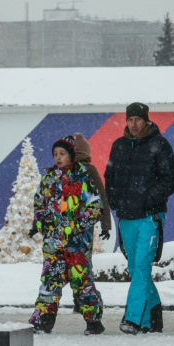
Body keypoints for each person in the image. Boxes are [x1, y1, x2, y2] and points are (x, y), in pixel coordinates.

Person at [104, 102, 174, 334]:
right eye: (130, 119)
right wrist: (114, 200)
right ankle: (153, 317)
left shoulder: (159, 145)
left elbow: (170, 180)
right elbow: (110, 176)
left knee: (142, 267)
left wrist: (147, 200)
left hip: (150, 216)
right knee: (136, 269)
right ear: (125, 121)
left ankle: (134, 319)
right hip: (126, 217)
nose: (134, 124)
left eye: (138, 119)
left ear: (146, 120)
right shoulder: (119, 145)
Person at [28, 135, 105, 335]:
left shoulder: (82, 177)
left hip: (77, 242)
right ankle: (43, 319)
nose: (58, 158)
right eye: (55, 154)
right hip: (53, 242)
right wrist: (40, 221)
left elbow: (95, 206)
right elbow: (40, 204)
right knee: (51, 279)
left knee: (81, 281)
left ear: (71, 155)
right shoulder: (48, 178)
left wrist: (78, 225)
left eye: (62, 154)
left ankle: (93, 319)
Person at [70, 133, 111, 312]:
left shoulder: (64, 169)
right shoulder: (89, 169)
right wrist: (105, 224)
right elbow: (102, 197)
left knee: (71, 262)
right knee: (83, 262)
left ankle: (82, 299)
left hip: (67, 226)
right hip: (85, 225)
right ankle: (85, 300)